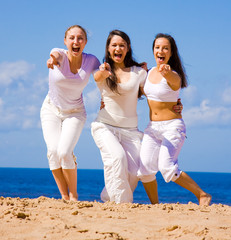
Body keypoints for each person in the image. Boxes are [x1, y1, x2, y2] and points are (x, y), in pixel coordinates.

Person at [91, 30, 182, 204]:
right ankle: (121, 206)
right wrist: (103, 71)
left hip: (130, 131)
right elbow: (97, 76)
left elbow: (156, 93)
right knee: (117, 158)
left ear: (128, 48)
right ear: (108, 49)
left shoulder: (139, 72)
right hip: (105, 126)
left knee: (134, 173)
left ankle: (106, 199)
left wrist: (176, 104)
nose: (118, 48)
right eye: (114, 45)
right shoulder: (103, 70)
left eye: (122, 45)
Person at [138, 33, 211, 205]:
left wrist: (167, 73)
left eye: (165, 48)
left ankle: (202, 194)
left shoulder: (173, 74)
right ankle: (155, 206)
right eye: (157, 47)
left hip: (172, 127)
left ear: (171, 53)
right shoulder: (148, 73)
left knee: (166, 167)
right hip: (152, 128)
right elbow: (139, 92)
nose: (160, 51)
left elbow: (175, 82)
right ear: (153, 50)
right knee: (145, 170)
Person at [40, 25, 100, 201]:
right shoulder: (58, 53)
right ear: (65, 41)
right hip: (51, 108)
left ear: (85, 42)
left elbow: (100, 76)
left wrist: (104, 72)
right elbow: (55, 56)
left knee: (64, 152)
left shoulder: (91, 61)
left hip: (75, 112)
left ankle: (74, 196)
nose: (76, 41)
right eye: (72, 38)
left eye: (80, 38)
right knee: (52, 151)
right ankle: (64, 196)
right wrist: (51, 61)